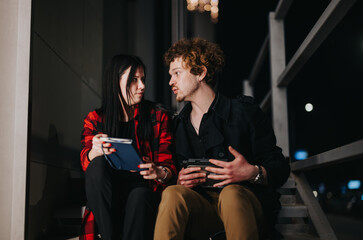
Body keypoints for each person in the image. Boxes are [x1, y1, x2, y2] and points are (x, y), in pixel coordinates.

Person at [153, 38, 290, 240]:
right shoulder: (177, 125)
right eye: (171, 75)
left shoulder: (243, 111)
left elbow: (279, 165)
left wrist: (252, 172)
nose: (171, 81)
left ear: (200, 72)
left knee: (232, 193)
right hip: (203, 213)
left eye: (177, 73)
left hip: (245, 208)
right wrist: (179, 179)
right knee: (173, 193)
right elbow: (171, 172)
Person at [79, 54, 176, 240]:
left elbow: (169, 166)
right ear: (116, 82)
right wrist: (94, 151)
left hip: (143, 194)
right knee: (96, 165)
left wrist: (159, 171)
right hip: (107, 196)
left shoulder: (157, 116)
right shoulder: (95, 119)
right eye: (134, 80)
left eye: (142, 79)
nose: (142, 86)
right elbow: (86, 163)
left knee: (139, 196)